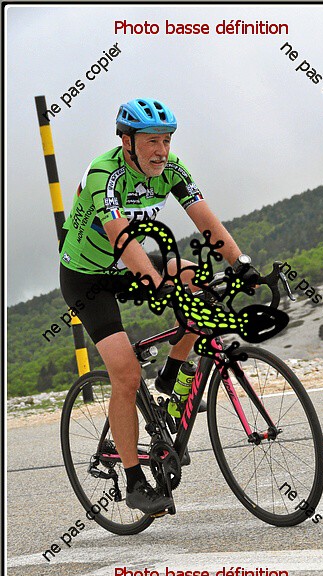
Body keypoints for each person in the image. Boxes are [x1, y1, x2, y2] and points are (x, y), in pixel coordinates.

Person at [59, 98, 259, 514]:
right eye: (152, 141)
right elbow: (121, 239)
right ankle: (135, 481)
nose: (161, 150)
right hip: (87, 277)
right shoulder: (104, 174)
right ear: (127, 142)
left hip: (129, 263)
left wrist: (241, 263)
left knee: (201, 287)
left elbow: (206, 221)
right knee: (127, 374)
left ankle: (170, 376)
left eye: (166, 140)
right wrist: (155, 282)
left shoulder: (172, 170)